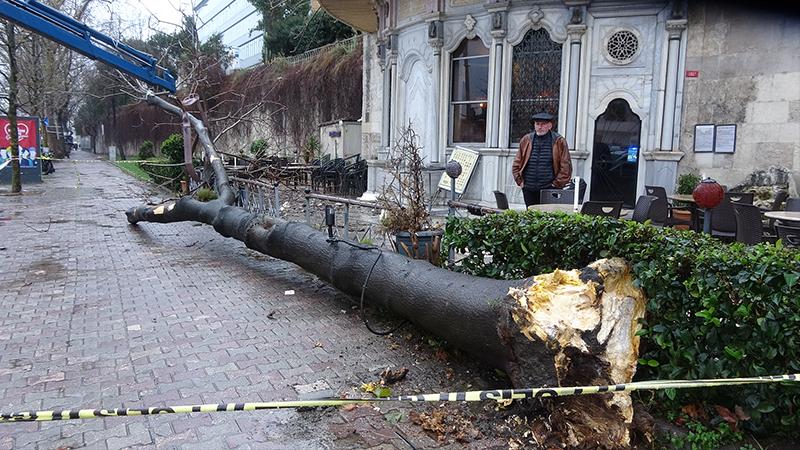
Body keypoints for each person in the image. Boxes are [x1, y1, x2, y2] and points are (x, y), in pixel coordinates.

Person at [511, 112, 572, 207]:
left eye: (543, 124)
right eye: (537, 124)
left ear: (550, 126)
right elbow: (517, 162)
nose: (540, 127)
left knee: (547, 216)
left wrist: (556, 185)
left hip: (549, 188)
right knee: (530, 215)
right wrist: (520, 181)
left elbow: (566, 166)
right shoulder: (526, 140)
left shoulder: (559, 141)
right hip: (528, 187)